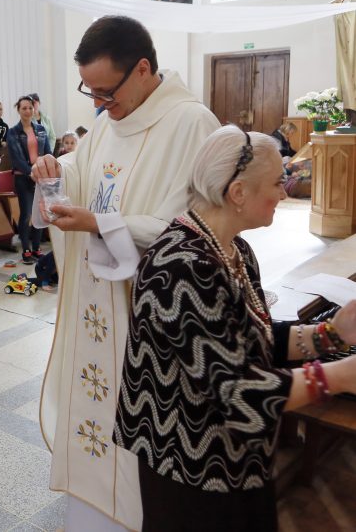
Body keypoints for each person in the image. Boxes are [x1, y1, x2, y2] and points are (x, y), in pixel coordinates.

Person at [114, 125, 356, 531]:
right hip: (190, 467)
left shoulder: (234, 248)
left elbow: (248, 340)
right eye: (278, 182)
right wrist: (340, 375)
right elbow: (237, 392)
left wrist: (332, 333)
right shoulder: (182, 267)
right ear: (238, 192)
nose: (284, 193)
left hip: (236, 456)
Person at [32, 15, 220, 531]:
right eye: (89, 91)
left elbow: (194, 231)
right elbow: (85, 169)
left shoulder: (191, 123)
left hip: (146, 320)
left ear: (142, 69)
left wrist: (98, 222)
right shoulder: (112, 117)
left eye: (105, 92)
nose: (98, 104)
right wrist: (56, 171)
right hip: (99, 311)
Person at [7, 96, 51, 265]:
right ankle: (26, 249)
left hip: (39, 177)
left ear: (34, 109)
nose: (27, 111)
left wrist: (45, 169)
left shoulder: (40, 129)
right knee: (26, 214)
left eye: (30, 108)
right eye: (24, 108)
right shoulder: (13, 132)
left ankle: (36, 248)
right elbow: (16, 158)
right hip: (23, 177)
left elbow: (47, 152)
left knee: (39, 213)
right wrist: (31, 172)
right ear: (18, 110)